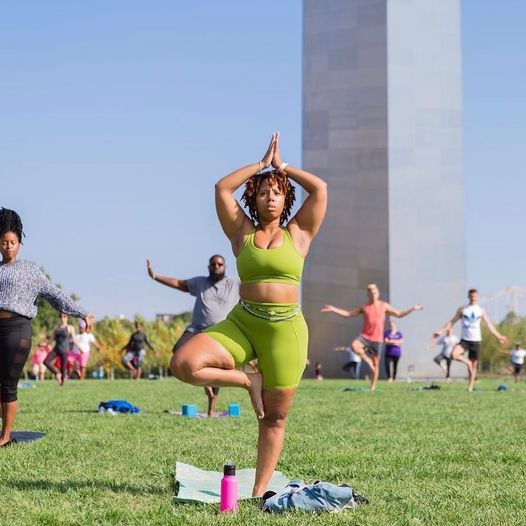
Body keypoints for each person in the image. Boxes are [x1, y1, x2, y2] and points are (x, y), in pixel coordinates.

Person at [170, 132, 327, 496]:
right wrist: (260, 165)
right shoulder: (242, 233)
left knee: (273, 418)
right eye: (262, 191)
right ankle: (246, 381)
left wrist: (282, 168)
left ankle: (258, 492)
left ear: (286, 197)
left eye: (276, 191)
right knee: (184, 364)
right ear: (253, 200)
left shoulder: (299, 232)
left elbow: (319, 189)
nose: (269, 196)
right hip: (243, 322)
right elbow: (222, 188)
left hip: (285, 330)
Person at [0, 207, 92, 447]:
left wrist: (83, 313)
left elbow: (56, 295)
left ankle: (5, 436)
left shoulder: (30, 271)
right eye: (4, 242)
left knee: (8, 385)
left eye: (12, 242)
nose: (8, 246)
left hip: (16, 330)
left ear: (19, 243)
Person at [147, 255, 239, 416]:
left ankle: (211, 409)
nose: (217, 266)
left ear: (225, 266)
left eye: (220, 264)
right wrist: (155, 276)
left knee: (217, 367)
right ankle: (206, 384)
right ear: (208, 267)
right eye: (213, 264)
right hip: (196, 329)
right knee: (179, 351)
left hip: (219, 333)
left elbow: (256, 288)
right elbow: (178, 283)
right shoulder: (200, 283)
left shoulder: (235, 284)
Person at [321, 284, 423, 391]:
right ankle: (368, 361)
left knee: (376, 365)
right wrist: (334, 309)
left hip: (377, 340)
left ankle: (372, 388)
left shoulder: (384, 306)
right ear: (368, 294)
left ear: (378, 293)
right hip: (365, 336)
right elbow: (348, 314)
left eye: (375, 291)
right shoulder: (364, 307)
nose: (373, 293)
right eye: (371, 292)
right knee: (354, 346)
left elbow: (399, 314)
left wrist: (412, 309)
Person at [433, 288, 507, 392]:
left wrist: (499, 336)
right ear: (468, 297)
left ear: (477, 297)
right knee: (454, 355)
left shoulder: (481, 311)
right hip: (465, 340)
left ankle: (470, 388)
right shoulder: (462, 309)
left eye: (475, 296)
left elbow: (489, 325)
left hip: (476, 341)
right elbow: (452, 322)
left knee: (473, 367)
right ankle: (467, 362)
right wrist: (441, 331)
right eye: (471, 296)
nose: (473, 298)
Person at [44, 313, 84, 385]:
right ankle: (57, 373)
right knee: (46, 362)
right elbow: (52, 338)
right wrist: (46, 345)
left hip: (65, 350)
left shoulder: (70, 328)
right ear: (59, 318)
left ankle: (62, 384)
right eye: (61, 316)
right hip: (56, 349)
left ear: (67, 318)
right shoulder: (56, 327)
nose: (62, 318)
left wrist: (80, 348)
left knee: (63, 368)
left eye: (64, 316)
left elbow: (74, 339)